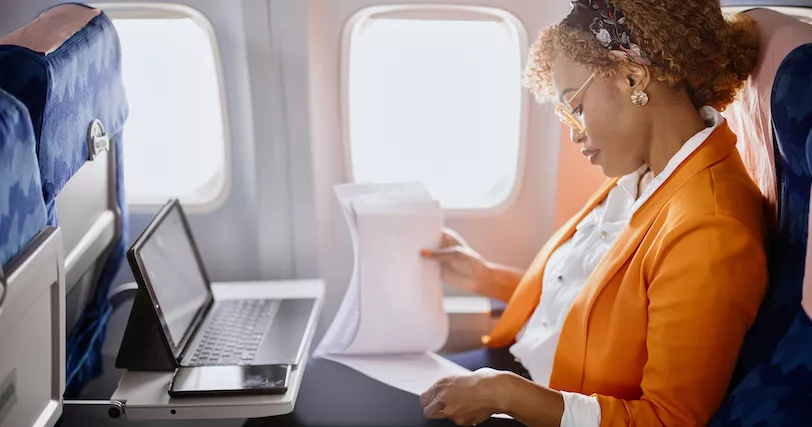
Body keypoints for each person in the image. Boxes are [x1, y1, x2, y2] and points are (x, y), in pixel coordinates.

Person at [419, 0, 768, 426]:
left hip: (546, 405)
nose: (573, 132)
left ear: (633, 76)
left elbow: (669, 419)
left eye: (576, 107)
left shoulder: (710, 229)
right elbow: (589, 306)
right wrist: (483, 276)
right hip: (512, 369)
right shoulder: (642, 173)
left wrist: (506, 394)